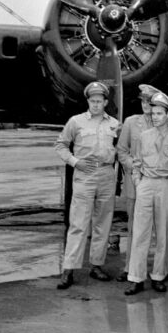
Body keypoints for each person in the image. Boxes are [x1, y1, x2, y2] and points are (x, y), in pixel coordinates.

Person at [55, 81, 121, 289]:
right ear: (88, 101)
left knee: (103, 222)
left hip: (106, 174)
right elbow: (61, 145)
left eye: (99, 101)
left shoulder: (115, 124)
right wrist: (75, 162)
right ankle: (69, 269)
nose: (95, 105)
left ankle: (96, 265)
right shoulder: (76, 122)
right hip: (85, 173)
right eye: (92, 101)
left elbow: (122, 147)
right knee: (78, 223)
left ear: (106, 102)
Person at [115, 84, 168, 282]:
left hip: (164, 183)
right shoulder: (132, 123)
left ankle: (162, 271)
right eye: (142, 101)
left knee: (163, 230)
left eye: (148, 103)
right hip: (141, 183)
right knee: (137, 229)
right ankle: (131, 271)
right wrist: (136, 175)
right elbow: (123, 150)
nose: (145, 106)